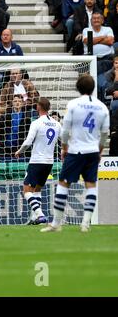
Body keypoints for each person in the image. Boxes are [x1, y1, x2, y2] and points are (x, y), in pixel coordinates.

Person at [41, 74, 110, 233]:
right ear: (93, 88)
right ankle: (85, 223)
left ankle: (56, 223)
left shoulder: (73, 104)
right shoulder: (102, 107)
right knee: (91, 185)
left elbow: (65, 130)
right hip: (93, 151)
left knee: (64, 184)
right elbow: (105, 133)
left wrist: (64, 148)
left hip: (76, 150)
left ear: (78, 88)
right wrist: (99, 150)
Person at [14, 98, 62, 225]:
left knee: (26, 191)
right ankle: (36, 218)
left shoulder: (36, 123)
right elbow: (64, 140)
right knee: (37, 190)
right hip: (49, 162)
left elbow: (28, 141)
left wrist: (19, 151)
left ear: (38, 107)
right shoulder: (57, 124)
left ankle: (40, 215)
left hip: (37, 161)